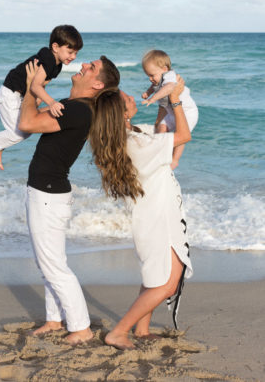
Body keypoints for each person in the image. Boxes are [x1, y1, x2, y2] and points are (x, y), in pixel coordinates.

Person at [18, 55, 120, 345]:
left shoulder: (77, 110)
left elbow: (27, 122)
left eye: (92, 67)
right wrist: (39, 91)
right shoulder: (74, 107)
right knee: (49, 261)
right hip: (49, 193)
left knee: (53, 265)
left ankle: (81, 327)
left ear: (97, 83)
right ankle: (54, 319)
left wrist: (30, 87)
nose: (84, 65)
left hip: (48, 195)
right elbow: (32, 120)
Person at [89, 77, 193, 350]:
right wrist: (176, 100)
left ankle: (142, 328)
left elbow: (161, 131)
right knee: (169, 281)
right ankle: (119, 331)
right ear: (122, 113)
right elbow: (182, 135)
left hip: (153, 216)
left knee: (156, 275)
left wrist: (163, 99)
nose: (134, 99)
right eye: (128, 99)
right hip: (157, 219)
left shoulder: (131, 136)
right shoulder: (136, 142)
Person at [0, 25, 83, 170]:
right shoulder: (48, 58)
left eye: (76, 53)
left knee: (26, 130)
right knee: (21, 132)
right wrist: (51, 103)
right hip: (9, 93)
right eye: (70, 52)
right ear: (55, 47)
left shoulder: (57, 66)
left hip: (19, 96)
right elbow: (35, 86)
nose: (73, 57)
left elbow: (41, 85)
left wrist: (35, 104)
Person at [141, 49, 198, 169]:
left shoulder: (170, 77)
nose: (150, 78)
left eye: (152, 75)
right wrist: (148, 92)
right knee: (161, 127)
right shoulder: (159, 77)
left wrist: (153, 99)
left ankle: (175, 160)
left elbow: (169, 88)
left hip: (187, 112)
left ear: (165, 69)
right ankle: (160, 150)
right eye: (148, 76)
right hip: (171, 112)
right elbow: (154, 86)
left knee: (181, 132)